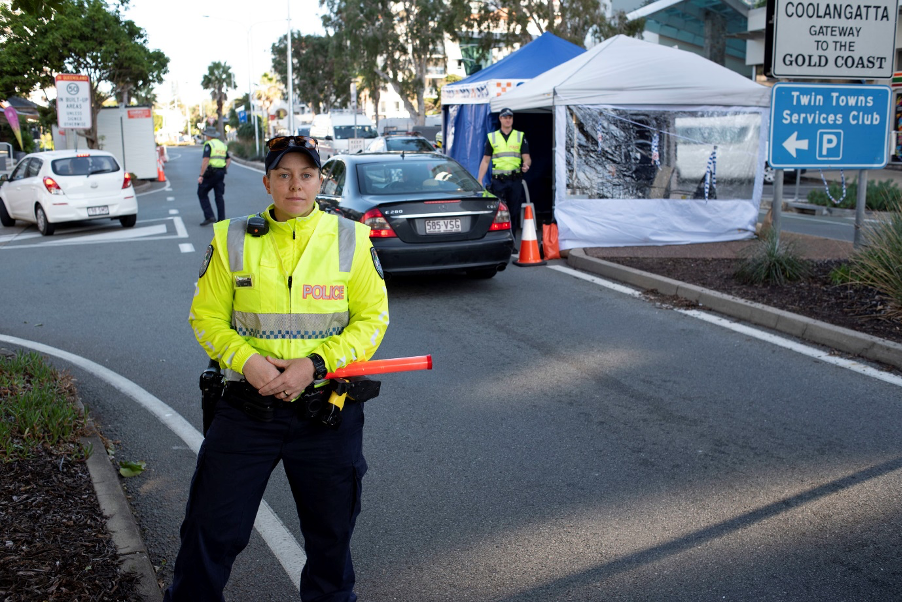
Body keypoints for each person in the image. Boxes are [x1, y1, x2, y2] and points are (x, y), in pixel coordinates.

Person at [164, 135, 390, 601]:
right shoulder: (230, 237)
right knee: (210, 532)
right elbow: (205, 317)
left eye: (306, 175)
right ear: (266, 182)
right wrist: (247, 363)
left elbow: (373, 320)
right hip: (247, 408)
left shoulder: (352, 236)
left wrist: (315, 364)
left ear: (319, 181)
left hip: (325, 410)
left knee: (331, 541)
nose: (295, 185)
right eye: (283, 175)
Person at [476, 107, 531, 239]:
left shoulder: (519, 136)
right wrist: (479, 179)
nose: (508, 120)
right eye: (505, 117)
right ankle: (499, 239)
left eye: (510, 117)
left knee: (514, 211)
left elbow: (527, 157)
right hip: (498, 181)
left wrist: (526, 165)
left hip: (515, 180)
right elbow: (485, 161)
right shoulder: (492, 137)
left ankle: (512, 241)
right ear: (500, 119)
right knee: (498, 212)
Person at [197, 125, 231, 226]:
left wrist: (201, 175)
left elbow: (205, 160)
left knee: (201, 192)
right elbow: (228, 160)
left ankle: (209, 216)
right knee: (219, 196)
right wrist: (224, 169)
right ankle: (221, 220)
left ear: (208, 135)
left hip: (210, 173)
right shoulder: (222, 145)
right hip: (221, 173)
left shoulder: (209, 144)